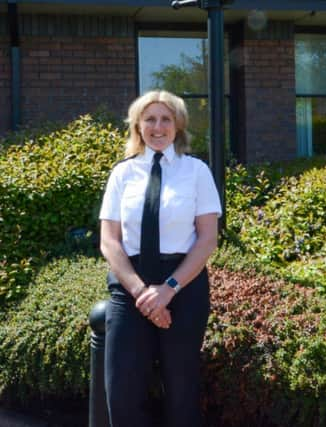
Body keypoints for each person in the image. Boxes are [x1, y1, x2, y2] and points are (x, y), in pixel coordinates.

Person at [99, 90, 222, 427]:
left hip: (183, 284)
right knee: (121, 391)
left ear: (177, 126)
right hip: (130, 285)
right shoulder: (122, 174)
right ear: (138, 126)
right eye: (150, 119)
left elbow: (208, 238)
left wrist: (168, 289)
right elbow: (109, 242)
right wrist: (142, 293)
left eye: (166, 119)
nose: (158, 126)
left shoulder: (196, 171)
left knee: (181, 392)